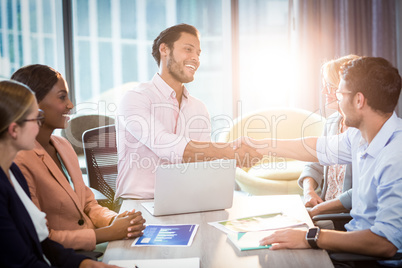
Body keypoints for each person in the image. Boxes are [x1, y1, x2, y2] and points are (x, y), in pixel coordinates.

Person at [240, 57, 401, 260]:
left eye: (340, 93)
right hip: (350, 240)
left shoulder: (396, 157)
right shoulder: (359, 135)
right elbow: (314, 148)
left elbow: (385, 244)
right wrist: (259, 146)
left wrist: (311, 237)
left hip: (367, 261)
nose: (337, 99)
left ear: (359, 100)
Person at [12, 64, 146, 251]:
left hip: (92, 246)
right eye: (62, 97)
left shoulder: (63, 145)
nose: (70, 105)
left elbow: (88, 203)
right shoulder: (19, 161)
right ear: (34, 103)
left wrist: (115, 220)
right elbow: (42, 237)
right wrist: (110, 232)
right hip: (65, 256)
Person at [115, 23, 255, 200]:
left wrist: (236, 158)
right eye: (189, 49)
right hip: (139, 204)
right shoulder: (135, 98)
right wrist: (228, 151)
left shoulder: (199, 108)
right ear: (164, 49)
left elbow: (203, 161)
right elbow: (164, 144)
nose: (195, 58)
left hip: (186, 202)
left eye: (198, 53)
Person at [0, 80, 118, 267]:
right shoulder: (16, 170)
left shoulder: (11, 172)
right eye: (35, 118)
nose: (39, 126)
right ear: (14, 130)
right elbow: (24, 261)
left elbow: (43, 244)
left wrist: (85, 264)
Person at [299, 55, 359, 218]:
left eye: (330, 86)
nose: (324, 91)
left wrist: (320, 210)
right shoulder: (333, 121)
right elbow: (314, 163)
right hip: (324, 211)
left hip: (346, 217)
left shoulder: (365, 130)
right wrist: (309, 192)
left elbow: (363, 191)